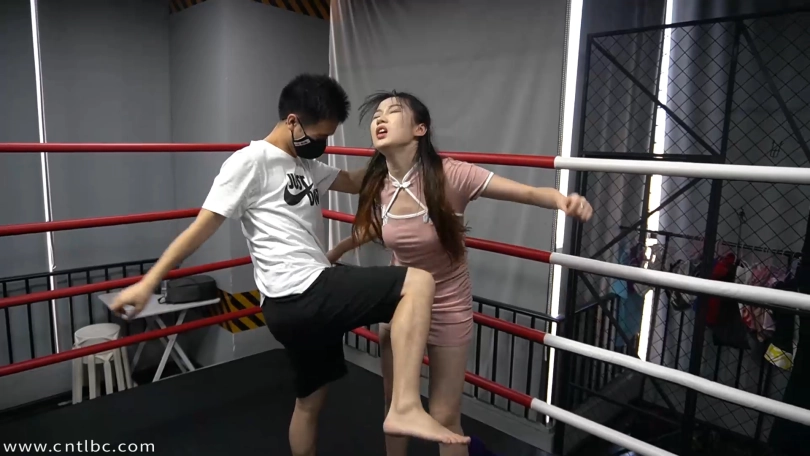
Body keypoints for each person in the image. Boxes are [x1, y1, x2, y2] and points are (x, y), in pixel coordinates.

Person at [110, 76, 470, 456]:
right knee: (417, 283)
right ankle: (406, 406)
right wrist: (148, 282)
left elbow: (354, 181)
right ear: (293, 121)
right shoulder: (249, 162)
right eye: (320, 135)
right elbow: (201, 228)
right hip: (300, 292)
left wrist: (401, 153)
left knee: (309, 402)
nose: (323, 143)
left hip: (299, 300)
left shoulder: (305, 164)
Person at [326, 91, 593, 456]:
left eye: (393, 111)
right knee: (394, 406)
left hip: (447, 304)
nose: (380, 118)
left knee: (444, 415)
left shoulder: (451, 175)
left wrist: (562, 200)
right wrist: (337, 248)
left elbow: (528, 193)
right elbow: (336, 186)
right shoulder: (377, 180)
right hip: (400, 303)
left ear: (420, 129)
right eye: (376, 115)